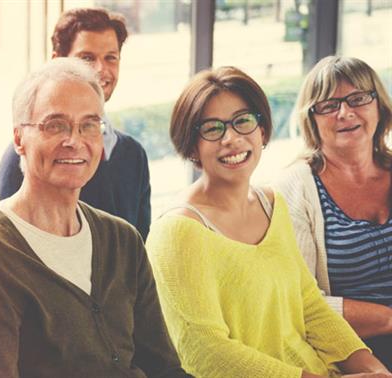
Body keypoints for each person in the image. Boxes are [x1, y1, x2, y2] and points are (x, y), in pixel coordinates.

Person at [0, 58, 187, 377]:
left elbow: (164, 368)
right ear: (19, 139)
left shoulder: (122, 239)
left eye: (89, 124)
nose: (74, 140)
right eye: (55, 124)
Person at [146, 66, 388, 377]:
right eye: (212, 128)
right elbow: (205, 351)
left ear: (262, 131)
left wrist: (371, 366)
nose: (231, 138)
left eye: (243, 121)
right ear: (192, 145)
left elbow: (309, 305)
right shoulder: (176, 232)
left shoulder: (273, 205)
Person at [273, 56, 392, 364]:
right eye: (329, 105)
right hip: (353, 351)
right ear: (311, 118)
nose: (345, 112)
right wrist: (388, 318)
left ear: (378, 104)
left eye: (358, 99)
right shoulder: (295, 188)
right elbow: (299, 303)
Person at [0, 7, 151, 239]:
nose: (100, 70)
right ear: (57, 61)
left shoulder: (133, 154)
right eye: (87, 58)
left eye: (111, 58)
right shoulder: (26, 157)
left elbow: (139, 243)